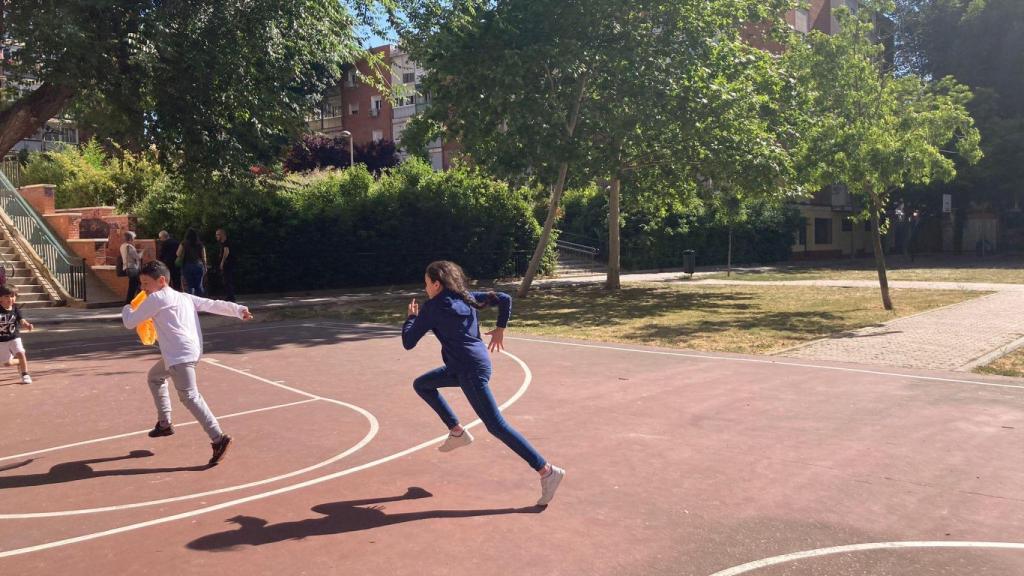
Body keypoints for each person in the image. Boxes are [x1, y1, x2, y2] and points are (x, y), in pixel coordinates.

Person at [402, 260, 565, 506]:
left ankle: (546, 470)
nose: (425, 288)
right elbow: (504, 298)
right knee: (423, 384)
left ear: (436, 284)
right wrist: (500, 328)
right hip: (469, 365)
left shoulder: (433, 307)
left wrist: (411, 319)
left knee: (496, 425)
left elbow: (408, 341)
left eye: (426, 284)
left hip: (468, 370)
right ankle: (457, 431)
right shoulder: (467, 297)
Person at [121, 260, 253, 466]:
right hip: (187, 351)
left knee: (189, 397)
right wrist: (238, 309)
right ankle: (164, 423)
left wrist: (128, 307)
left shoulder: (156, 298)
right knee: (155, 377)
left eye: (146, 283)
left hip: (179, 355)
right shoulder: (182, 296)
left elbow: (130, 322)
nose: (142, 288)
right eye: (141, 284)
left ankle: (218, 438)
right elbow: (211, 304)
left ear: (162, 281)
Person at [0, 285, 33, 384]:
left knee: (20, 352)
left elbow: (22, 321)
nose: (10, 299)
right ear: (0, 298)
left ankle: (25, 374)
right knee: (6, 363)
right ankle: (19, 362)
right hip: (1, 340)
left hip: (14, 337)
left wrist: (27, 325)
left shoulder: (16, 310)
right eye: (7, 296)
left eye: (13, 296)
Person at [177, 228, 208, 297]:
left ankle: (190, 302)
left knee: (189, 286)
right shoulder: (200, 244)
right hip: (198, 265)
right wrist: (205, 267)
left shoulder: (183, 243)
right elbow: (204, 257)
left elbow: (178, 254)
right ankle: (200, 301)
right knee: (199, 285)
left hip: (187, 265)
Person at [120, 230, 142, 304]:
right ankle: (131, 302)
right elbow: (137, 257)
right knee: (135, 286)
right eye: (133, 238)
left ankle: (131, 302)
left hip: (127, 268)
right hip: (133, 268)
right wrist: (143, 252)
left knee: (134, 285)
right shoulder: (129, 247)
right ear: (130, 239)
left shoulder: (122, 246)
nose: (134, 240)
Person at [215, 228, 236, 302]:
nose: (216, 236)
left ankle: (230, 297)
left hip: (227, 264)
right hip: (227, 264)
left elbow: (226, 251)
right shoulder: (223, 243)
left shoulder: (226, 242)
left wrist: (222, 262)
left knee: (227, 280)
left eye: (218, 234)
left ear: (222, 235)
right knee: (226, 280)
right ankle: (229, 296)